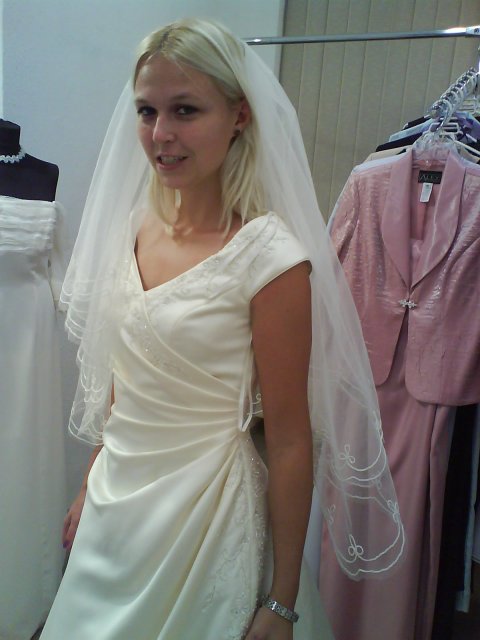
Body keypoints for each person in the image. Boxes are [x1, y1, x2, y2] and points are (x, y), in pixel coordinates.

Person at [40, 18, 404, 640]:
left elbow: (290, 442)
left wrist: (281, 603)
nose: (161, 134)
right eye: (147, 111)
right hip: (114, 506)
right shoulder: (134, 227)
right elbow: (125, 380)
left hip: (204, 519)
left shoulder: (270, 259)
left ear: (239, 115)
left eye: (185, 110)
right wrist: (88, 479)